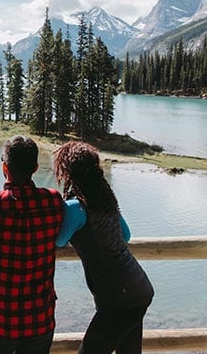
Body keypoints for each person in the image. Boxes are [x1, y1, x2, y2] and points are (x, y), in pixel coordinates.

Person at [0, 135, 65, 354]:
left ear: (5, 167)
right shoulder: (53, 201)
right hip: (40, 318)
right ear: (35, 168)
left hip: (0, 320)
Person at [52, 141, 154, 354]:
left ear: (69, 173)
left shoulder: (75, 207)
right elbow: (125, 235)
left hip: (118, 297)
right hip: (139, 287)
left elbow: (59, 241)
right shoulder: (105, 201)